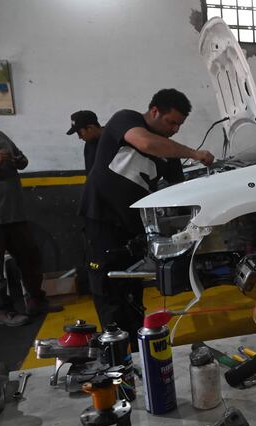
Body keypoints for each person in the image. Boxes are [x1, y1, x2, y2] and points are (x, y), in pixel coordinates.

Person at [78, 88, 214, 336]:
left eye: (179, 125)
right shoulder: (126, 119)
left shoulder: (169, 152)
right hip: (101, 218)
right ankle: (115, 343)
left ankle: (134, 341)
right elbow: (146, 143)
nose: (175, 129)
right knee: (108, 285)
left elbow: (178, 189)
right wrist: (194, 153)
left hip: (131, 227)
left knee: (130, 286)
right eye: (171, 122)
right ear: (154, 111)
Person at [0, 96, 62, 326]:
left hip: (14, 212)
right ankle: (4, 311)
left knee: (30, 258)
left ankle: (36, 301)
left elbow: (21, 160)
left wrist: (18, 160)